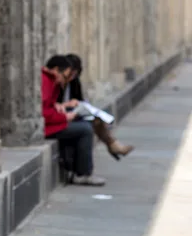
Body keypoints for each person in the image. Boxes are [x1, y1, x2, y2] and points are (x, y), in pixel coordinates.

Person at [42, 55, 105, 186]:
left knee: (85, 124)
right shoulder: (46, 81)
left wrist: (59, 107)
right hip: (49, 126)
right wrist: (64, 117)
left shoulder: (51, 81)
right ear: (55, 70)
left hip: (54, 122)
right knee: (85, 130)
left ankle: (77, 168)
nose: (66, 80)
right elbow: (43, 112)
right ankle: (83, 173)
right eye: (65, 76)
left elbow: (48, 105)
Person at [60, 53, 134, 160]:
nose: (71, 78)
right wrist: (68, 105)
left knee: (97, 119)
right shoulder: (58, 81)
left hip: (73, 112)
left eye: (74, 75)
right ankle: (113, 145)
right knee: (89, 126)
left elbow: (80, 100)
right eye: (70, 74)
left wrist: (77, 105)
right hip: (63, 115)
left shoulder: (74, 82)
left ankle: (113, 145)